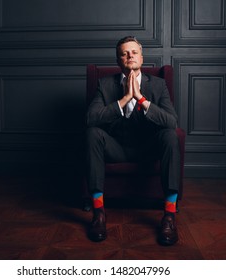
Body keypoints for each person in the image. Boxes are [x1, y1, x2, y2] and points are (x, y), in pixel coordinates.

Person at [85, 36, 181, 246]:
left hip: (147, 149)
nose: (130, 55)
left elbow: (171, 122)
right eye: (124, 53)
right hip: (116, 148)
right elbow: (91, 118)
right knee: (92, 132)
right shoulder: (104, 84)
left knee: (170, 135)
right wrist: (125, 99)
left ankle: (169, 216)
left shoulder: (158, 84)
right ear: (119, 61)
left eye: (134, 52)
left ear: (141, 57)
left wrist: (141, 98)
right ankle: (99, 213)